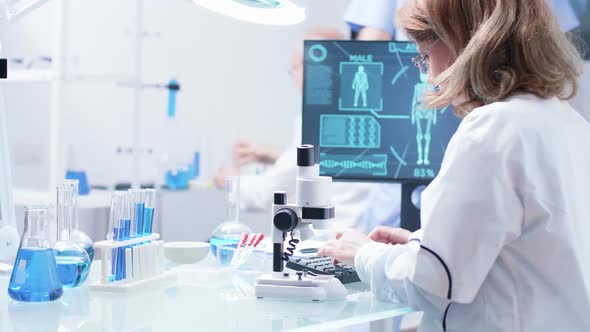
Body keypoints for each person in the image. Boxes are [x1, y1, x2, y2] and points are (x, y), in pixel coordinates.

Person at [319, 0, 590, 331]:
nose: (431, 75)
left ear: (461, 42)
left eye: (424, 56)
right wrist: (425, 245)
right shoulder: (566, 122)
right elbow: (523, 249)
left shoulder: (495, 127)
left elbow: (431, 285)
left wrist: (363, 254)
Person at [213, 28, 375, 233]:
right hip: (352, 233)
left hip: (327, 238)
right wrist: (271, 155)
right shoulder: (358, 113)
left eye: (294, 69)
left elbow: (269, 193)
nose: (295, 77)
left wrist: (231, 179)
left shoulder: (317, 119)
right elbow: (326, 165)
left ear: (313, 67)